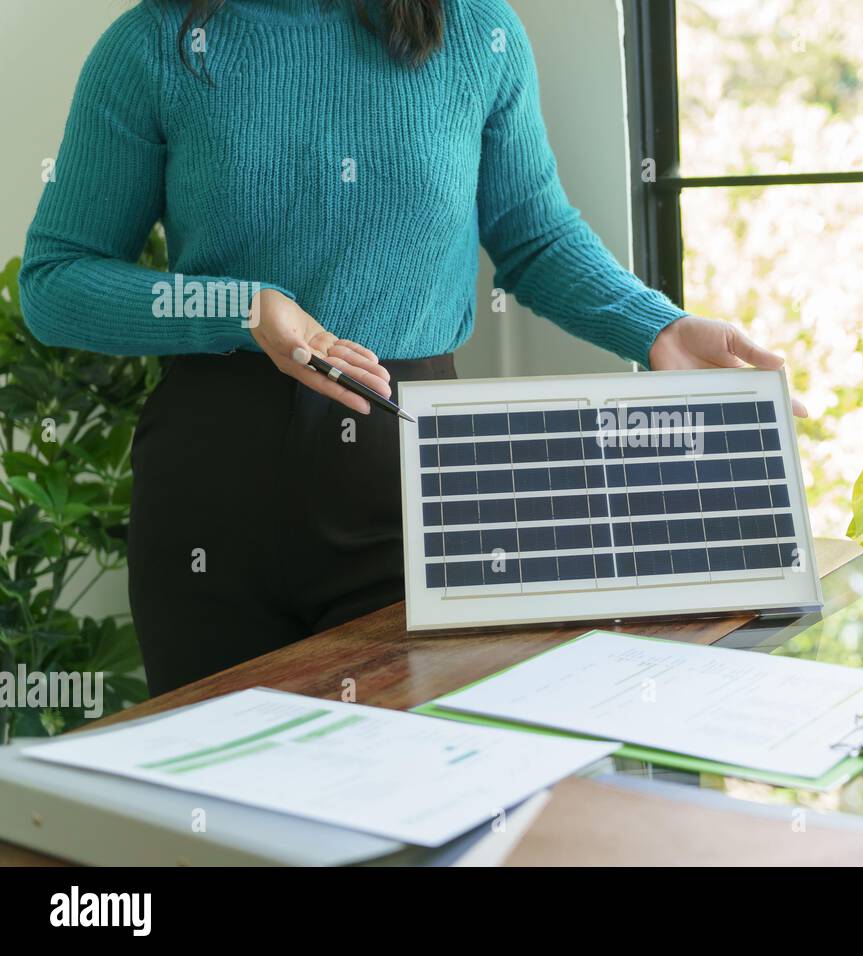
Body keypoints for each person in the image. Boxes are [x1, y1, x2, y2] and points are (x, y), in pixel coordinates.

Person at [19, 0, 804, 695]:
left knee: (428, 810)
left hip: (418, 492)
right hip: (212, 500)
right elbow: (55, 282)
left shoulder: (475, 31)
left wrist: (653, 325)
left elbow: (532, 233)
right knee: (217, 834)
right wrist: (241, 307)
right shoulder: (152, 44)